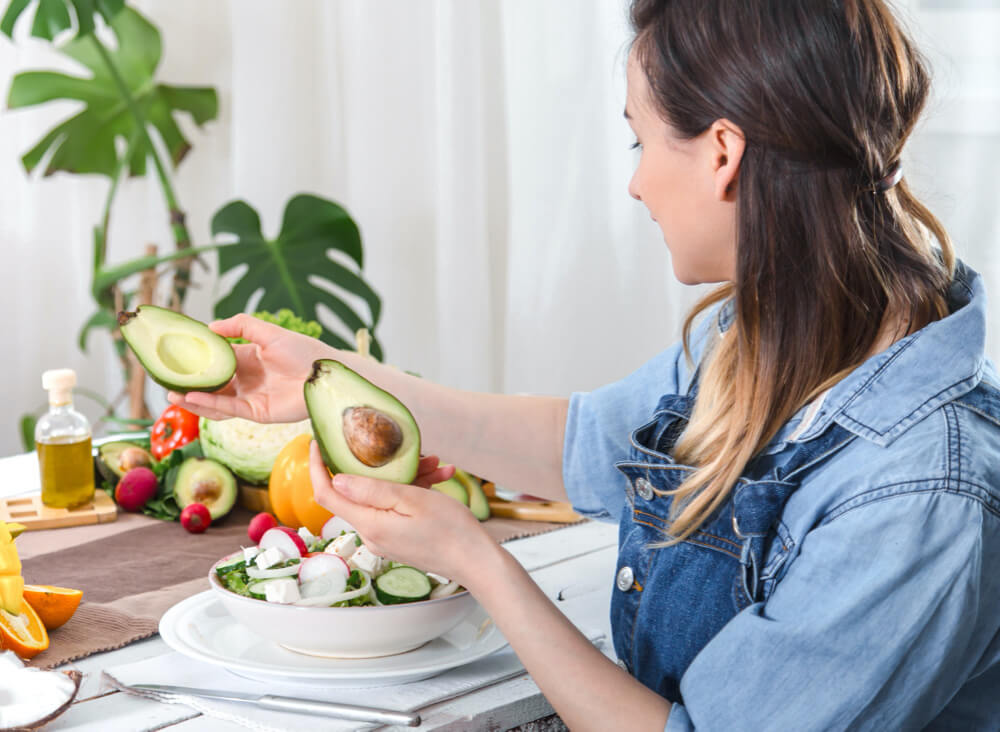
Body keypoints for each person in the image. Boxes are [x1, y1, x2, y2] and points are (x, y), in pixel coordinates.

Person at [170, 1, 1000, 729]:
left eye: (640, 142)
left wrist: (479, 563)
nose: (636, 185)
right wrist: (337, 379)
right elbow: (587, 444)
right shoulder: (771, 337)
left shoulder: (922, 494)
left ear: (722, 153)